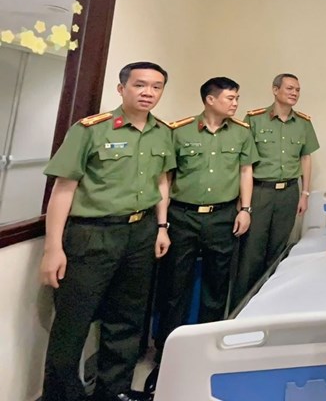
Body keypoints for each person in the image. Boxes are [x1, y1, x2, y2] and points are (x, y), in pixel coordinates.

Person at [39, 62, 175, 401]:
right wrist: (52, 248)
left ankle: (112, 392)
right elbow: (63, 189)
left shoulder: (162, 132)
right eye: (140, 85)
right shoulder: (91, 130)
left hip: (140, 233)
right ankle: (62, 395)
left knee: (126, 320)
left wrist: (161, 227)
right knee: (73, 323)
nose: (148, 93)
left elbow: (161, 181)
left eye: (156, 87)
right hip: (92, 235)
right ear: (121, 89)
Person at [148, 77, 258, 386]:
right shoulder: (179, 131)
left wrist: (245, 209)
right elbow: (165, 178)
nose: (235, 103)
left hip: (223, 216)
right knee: (174, 287)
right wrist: (162, 223)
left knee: (216, 284)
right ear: (210, 100)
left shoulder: (241, 133)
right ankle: (166, 356)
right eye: (230, 98)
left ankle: (207, 351)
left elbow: (245, 171)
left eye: (237, 97)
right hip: (182, 216)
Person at [232, 73, 319, 307]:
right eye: (290, 88)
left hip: (289, 192)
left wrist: (305, 193)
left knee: (279, 251)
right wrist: (244, 201)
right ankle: (243, 308)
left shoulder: (303, 123)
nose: (294, 93)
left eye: (298, 90)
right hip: (260, 192)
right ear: (275, 89)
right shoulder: (254, 119)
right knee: (252, 252)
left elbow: (306, 158)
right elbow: (244, 162)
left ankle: (270, 305)